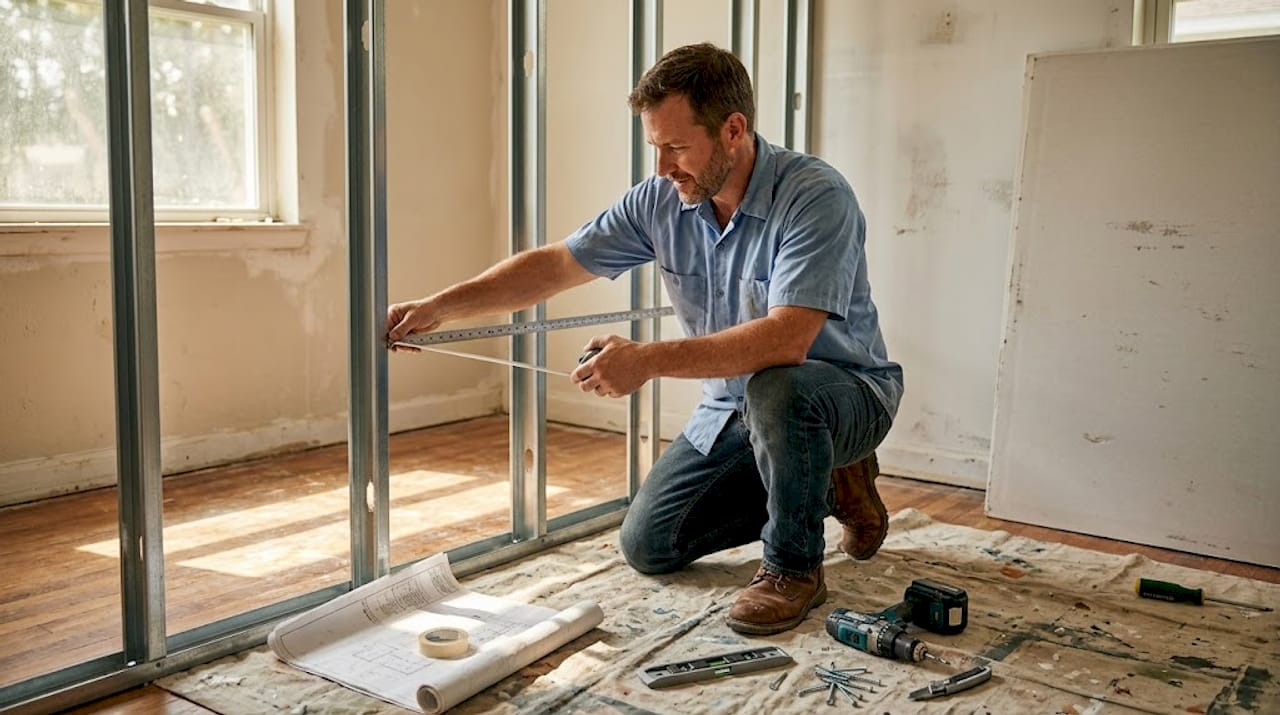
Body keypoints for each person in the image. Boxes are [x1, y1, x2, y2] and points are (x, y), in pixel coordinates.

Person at [386, 43, 902, 635]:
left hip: (843, 395)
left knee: (780, 389)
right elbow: (557, 265)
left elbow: (787, 340)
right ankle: (831, 485)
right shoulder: (661, 200)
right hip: (734, 408)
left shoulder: (814, 196)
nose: (662, 169)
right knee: (649, 543)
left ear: (733, 130)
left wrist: (647, 360)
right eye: (655, 148)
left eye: (677, 148)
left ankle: (793, 568)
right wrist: (440, 306)